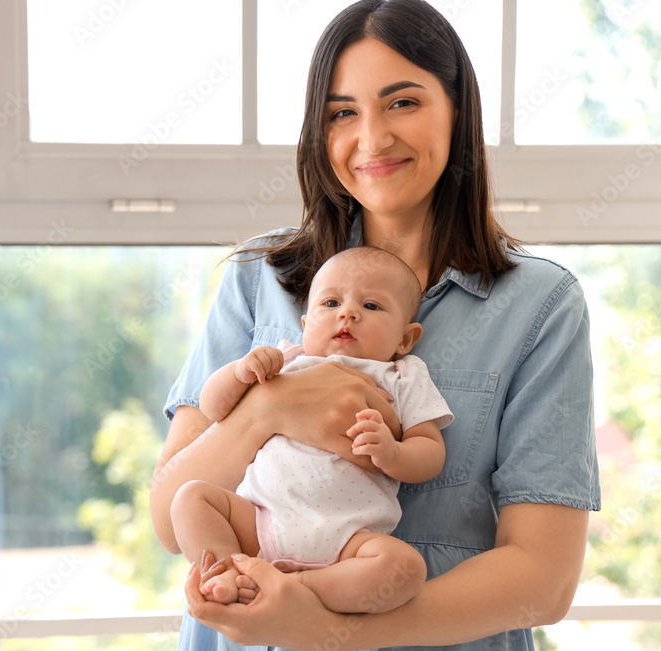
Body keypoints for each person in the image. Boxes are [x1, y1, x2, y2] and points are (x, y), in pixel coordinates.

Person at [150, 0, 600, 650]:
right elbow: (170, 518)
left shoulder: (539, 306)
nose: (372, 138)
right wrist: (265, 410)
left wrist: (327, 629)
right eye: (342, 112)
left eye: (403, 102)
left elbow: (543, 579)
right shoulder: (259, 278)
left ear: (457, 110)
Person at [171, 246, 453, 614]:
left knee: (406, 569)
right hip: (262, 520)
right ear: (305, 325)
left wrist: (394, 453)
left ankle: (294, 587)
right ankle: (225, 569)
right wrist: (240, 372)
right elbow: (213, 407)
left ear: (405, 338)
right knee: (190, 498)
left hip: (348, 539)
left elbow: (430, 452)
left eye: (371, 306)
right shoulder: (287, 359)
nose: (347, 313)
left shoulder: (403, 376)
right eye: (331, 303)